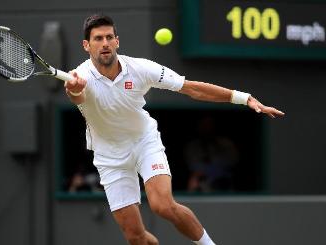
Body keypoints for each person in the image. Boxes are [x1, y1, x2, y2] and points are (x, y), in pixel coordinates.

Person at [63, 13, 285, 245]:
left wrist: (244, 98)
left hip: (143, 142)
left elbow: (191, 89)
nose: (105, 43)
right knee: (135, 237)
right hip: (109, 156)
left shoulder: (141, 69)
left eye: (109, 37)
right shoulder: (79, 77)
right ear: (86, 45)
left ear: (117, 41)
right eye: (98, 39)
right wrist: (75, 89)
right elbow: (77, 97)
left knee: (163, 205)